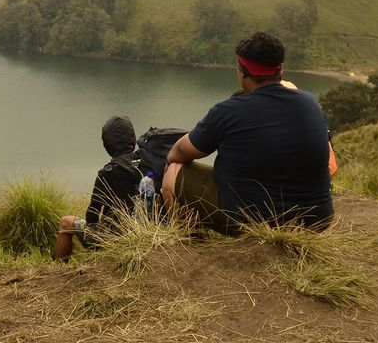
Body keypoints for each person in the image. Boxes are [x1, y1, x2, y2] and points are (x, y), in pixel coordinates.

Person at [162, 31, 333, 233]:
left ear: (242, 72)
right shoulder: (310, 103)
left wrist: (169, 159)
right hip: (316, 221)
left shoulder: (228, 111)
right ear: (281, 69)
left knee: (173, 172)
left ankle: (191, 240)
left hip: (249, 223)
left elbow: (180, 151)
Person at [55, 116, 142, 262]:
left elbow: (92, 214)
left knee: (66, 223)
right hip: (146, 231)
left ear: (108, 143)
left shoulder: (108, 172)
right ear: (132, 139)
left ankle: (57, 269)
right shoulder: (145, 162)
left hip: (116, 236)